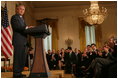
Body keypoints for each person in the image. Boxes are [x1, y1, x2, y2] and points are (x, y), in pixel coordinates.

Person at [11, 4, 33, 78]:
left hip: (24, 42)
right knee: (18, 58)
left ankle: (19, 72)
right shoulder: (14, 17)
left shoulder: (22, 19)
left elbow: (24, 29)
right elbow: (17, 27)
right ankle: (16, 74)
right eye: (20, 9)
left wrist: (29, 29)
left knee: (22, 58)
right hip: (18, 41)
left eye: (23, 9)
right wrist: (27, 27)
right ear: (17, 9)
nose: (22, 10)